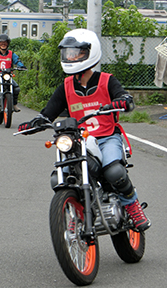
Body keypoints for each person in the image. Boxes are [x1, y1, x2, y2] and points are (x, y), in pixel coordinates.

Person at [18, 29, 151, 232]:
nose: (71, 57)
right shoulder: (66, 86)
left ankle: (133, 206)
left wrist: (123, 101)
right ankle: (75, 211)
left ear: (91, 52)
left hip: (107, 137)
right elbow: (49, 112)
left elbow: (123, 97)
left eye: (77, 53)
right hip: (78, 140)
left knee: (114, 172)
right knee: (59, 178)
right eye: (68, 53)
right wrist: (36, 123)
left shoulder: (107, 80)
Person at [0, 34, 26, 113]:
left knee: (16, 88)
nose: (3, 44)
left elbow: (17, 61)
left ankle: (14, 104)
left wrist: (21, 66)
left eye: (5, 43)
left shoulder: (11, 53)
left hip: (8, 75)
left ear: (8, 44)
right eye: (1, 43)